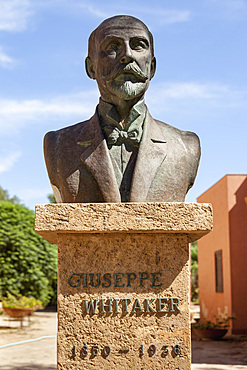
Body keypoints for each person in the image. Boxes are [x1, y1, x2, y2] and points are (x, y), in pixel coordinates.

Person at [44, 15, 200, 203]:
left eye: (138, 45)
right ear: (90, 68)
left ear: (152, 67)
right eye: (112, 47)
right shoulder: (58, 145)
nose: (128, 55)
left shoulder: (186, 146)